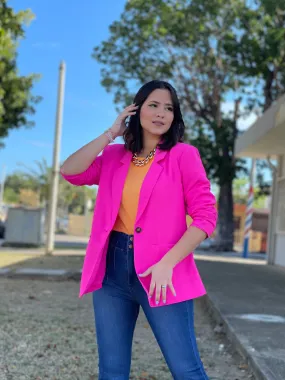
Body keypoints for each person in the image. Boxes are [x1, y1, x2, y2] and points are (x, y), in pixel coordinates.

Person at [61, 80, 217, 379]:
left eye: (169, 108)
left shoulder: (183, 155)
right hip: (112, 272)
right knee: (111, 370)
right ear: (137, 109)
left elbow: (206, 217)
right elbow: (70, 170)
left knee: (186, 369)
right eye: (153, 105)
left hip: (163, 272)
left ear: (175, 116)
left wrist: (168, 263)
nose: (161, 113)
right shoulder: (114, 157)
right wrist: (111, 134)